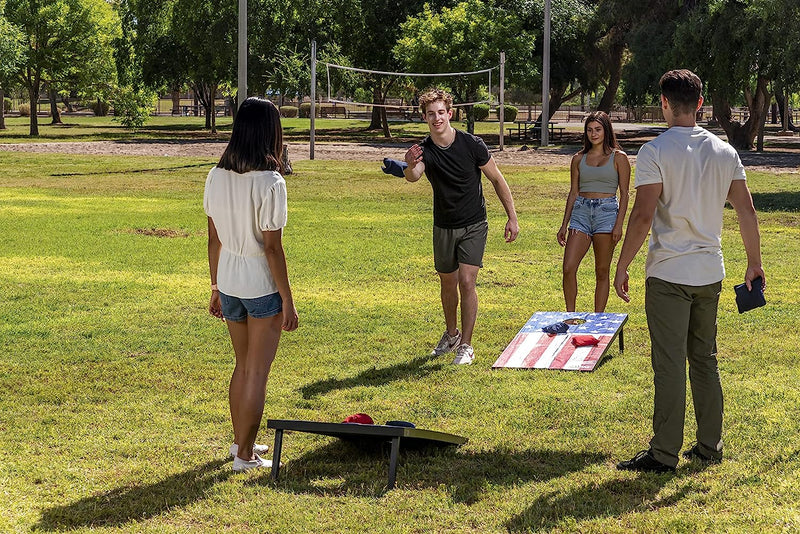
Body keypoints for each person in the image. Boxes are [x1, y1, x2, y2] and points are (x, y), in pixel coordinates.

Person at [613, 69, 764, 473]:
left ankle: (663, 454)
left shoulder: (655, 151)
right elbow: (746, 211)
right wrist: (754, 263)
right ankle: (709, 447)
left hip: (668, 273)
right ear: (700, 103)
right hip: (709, 271)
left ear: (664, 103)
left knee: (669, 363)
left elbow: (643, 215)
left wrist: (623, 263)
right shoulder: (724, 152)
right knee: (704, 360)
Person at [204, 97, 299, 472]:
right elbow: (273, 250)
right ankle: (244, 455)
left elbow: (213, 239)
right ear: (270, 133)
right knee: (257, 372)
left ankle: (239, 440)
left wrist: (214, 286)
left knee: (242, 366)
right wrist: (288, 301)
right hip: (260, 285)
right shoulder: (270, 182)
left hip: (228, 281)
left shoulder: (215, 175)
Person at [403, 88, 519, 365]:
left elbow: (497, 180)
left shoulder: (472, 144)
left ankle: (466, 345)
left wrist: (512, 217)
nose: (436, 118)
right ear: (425, 118)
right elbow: (414, 176)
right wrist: (408, 164)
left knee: (467, 282)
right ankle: (451, 334)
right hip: (443, 225)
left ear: (450, 114)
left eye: (441, 112)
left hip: (474, 223)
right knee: (448, 283)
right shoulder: (424, 149)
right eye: (431, 114)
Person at [558, 111, 631, 312]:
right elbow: (573, 192)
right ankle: (570, 316)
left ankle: (597, 319)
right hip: (581, 213)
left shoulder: (619, 158)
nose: (593, 134)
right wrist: (564, 224)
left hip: (607, 214)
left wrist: (619, 225)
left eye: (598, 129)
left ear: (606, 131)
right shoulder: (578, 158)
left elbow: (625, 194)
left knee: (601, 271)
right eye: (589, 130)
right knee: (568, 267)